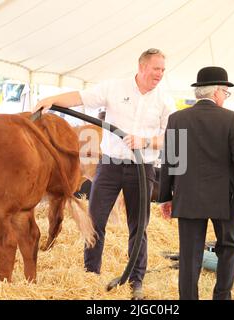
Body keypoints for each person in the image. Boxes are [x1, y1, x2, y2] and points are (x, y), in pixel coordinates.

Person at [34, 48, 175, 299]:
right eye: (156, 68)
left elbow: (171, 137)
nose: (160, 74)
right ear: (142, 67)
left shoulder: (165, 99)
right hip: (110, 165)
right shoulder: (114, 88)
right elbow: (80, 97)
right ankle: (90, 274)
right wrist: (51, 100)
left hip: (142, 169)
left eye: (163, 69)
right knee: (95, 220)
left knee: (138, 226)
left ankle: (136, 280)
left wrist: (144, 141)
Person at [158, 66, 234, 300]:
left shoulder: (177, 119)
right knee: (228, 247)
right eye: (225, 92)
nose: (225, 97)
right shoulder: (231, 119)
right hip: (224, 198)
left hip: (188, 197)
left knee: (189, 253)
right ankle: (222, 295)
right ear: (216, 93)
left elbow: (171, 162)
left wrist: (165, 196)